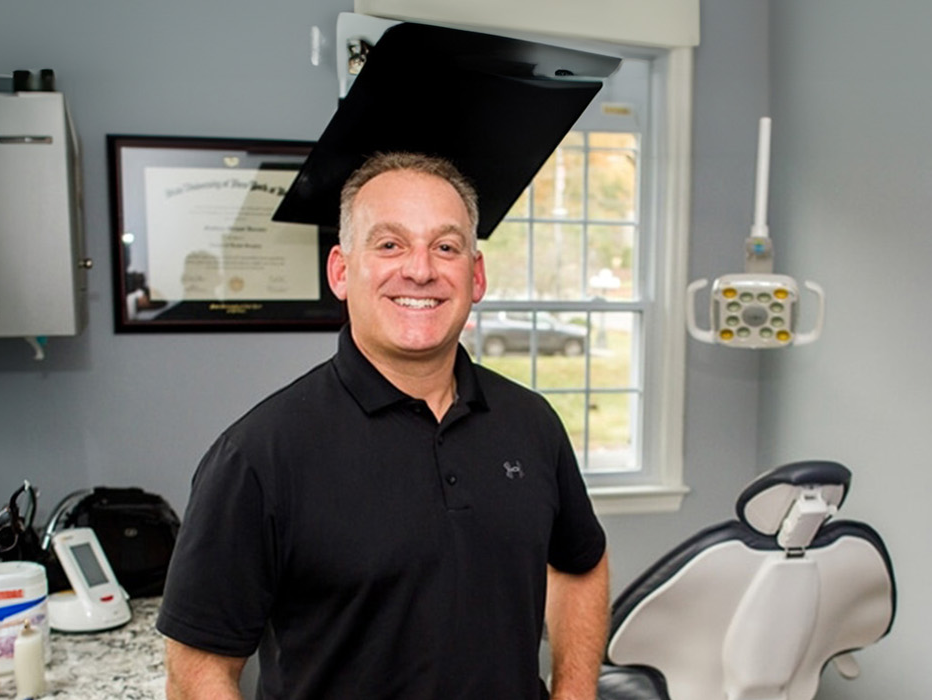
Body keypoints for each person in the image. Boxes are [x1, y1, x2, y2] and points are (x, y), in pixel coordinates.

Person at [158, 152, 610, 700]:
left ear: (477, 273)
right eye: (390, 244)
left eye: (445, 246)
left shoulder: (532, 423)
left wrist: (574, 693)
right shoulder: (258, 455)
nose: (420, 269)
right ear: (341, 271)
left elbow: (581, 563)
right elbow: (197, 669)